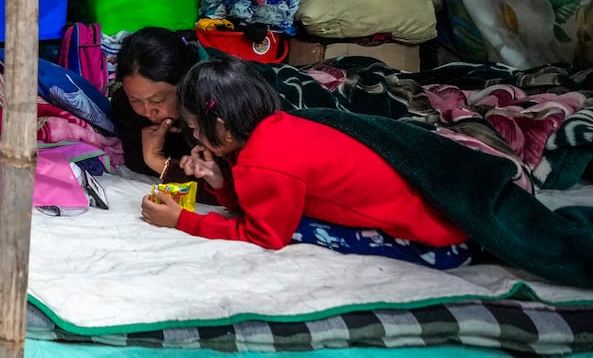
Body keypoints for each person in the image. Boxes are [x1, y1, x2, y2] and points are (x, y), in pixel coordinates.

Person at [139, 56, 469, 260]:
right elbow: (263, 199)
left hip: (434, 243)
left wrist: (182, 221)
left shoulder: (261, 161)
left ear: (222, 127)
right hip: (445, 223)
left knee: (300, 229)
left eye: (196, 128)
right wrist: (221, 183)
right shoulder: (275, 129)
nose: (194, 137)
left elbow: (266, 235)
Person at [109, 27, 200, 178]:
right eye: (135, 100)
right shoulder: (124, 104)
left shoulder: (210, 103)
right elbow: (135, 159)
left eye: (157, 100)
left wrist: (155, 159)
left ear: (184, 84)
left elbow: (223, 185)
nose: (147, 111)